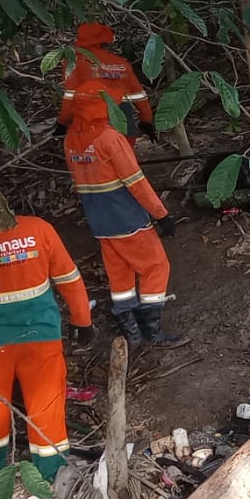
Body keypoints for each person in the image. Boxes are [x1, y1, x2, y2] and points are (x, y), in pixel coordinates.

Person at [0, 170, 93, 482]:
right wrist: (82, 321)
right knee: (46, 403)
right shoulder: (37, 229)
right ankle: (50, 470)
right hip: (40, 336)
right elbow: (70, 280)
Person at [63, 101, 185, 346]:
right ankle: (151, 332)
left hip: (100, 223)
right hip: (127, 218)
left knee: (120, 276)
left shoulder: (70, 141)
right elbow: (136, 182)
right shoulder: (110, 139)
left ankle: (132, 334)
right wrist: (161, 214)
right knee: (156, 266)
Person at [56, 22, 155, 143]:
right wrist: (146, 121)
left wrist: (63, 122)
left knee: (94, 159)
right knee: (123, 158)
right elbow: (139, 96)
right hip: (123, 119)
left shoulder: (75, 62)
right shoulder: (121, 64)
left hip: (90, 120)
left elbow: (70, 96)